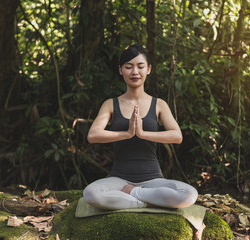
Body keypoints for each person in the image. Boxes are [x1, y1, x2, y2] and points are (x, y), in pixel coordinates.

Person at [83, 44, 198, 210]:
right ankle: (142, 201)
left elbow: (176, 136)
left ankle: (134, 194)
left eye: (140, 66)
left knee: (189, 194)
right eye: (128, 67)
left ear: (149, 69)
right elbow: (93, 135)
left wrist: (143, 133)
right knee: (91, 194)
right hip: (119, 180)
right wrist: (127, 133)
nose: (134, 72)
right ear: (121, 70)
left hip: (152, 180)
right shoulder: (111, 104)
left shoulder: (159, 104)